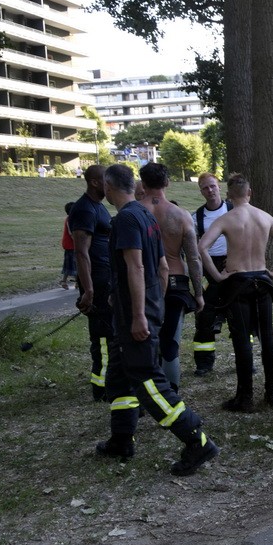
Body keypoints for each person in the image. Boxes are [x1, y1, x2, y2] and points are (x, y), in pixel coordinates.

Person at [95, 164, 219, 476]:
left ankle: (196, 440)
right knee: (119, 376)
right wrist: (155, 304)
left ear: (110, 187)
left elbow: (137, 267)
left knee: (147, 380)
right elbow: (163, 266)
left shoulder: (126, 218)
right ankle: (121, 439)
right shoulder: (147, 215)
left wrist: (140, 315)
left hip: (135, 313)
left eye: (105, 188)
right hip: (138, 308)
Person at [199, 173, 273, 410]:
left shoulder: (226, 219)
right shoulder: (264, 217)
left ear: (230, 196)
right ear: (249, 193)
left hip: (238, 282)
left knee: (243, 340)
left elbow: (202, 246)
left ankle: (245, 398)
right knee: (268, 338)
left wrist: (218, 275)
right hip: (262, 281)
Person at [138, 163, 204, 390]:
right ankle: (171, 394)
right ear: (167, 183)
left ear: (143, 184)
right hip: (176, 284)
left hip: (143, 284)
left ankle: (149, 393)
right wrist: (199, 293)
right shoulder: (182, 215)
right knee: (170, 343)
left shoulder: (133, 213)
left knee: (145, 341)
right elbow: (194, 259)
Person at [69, 164, 114, 401]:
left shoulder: (99, 208)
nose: (110, 185)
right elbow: (81, 253)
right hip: (96, 282)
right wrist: (88, 290)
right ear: (95, 182)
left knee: (109, 332)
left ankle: (108, 381)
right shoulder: (85, 210)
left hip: (105, 278)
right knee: (103, 335)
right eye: (106, 180)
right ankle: (102, 387)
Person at [191, 172, 234, 376]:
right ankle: (204, 363)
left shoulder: (233, 209)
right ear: (200, 191)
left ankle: (246, 357)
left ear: (219, 187)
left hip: (234, 265)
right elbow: (196, 251)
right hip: (209, 268)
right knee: (204, 315)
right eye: (205, 188)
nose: (210, 190)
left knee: (240, 315)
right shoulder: (196, 217)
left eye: (213, 186)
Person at [60, 202, 76, 289]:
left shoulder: (70, 218)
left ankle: (64, 281)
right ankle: (77, 282)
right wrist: (78, 241)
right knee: (74, 263)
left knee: (69, 264)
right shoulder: (70, 219)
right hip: (71, 245)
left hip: (70, 245)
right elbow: (71, 233)